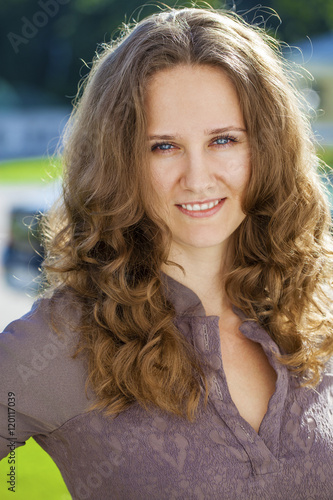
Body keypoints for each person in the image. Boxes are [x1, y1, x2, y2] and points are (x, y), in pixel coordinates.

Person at [1, 6, 333, 499]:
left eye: (224, 140)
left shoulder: (319, 307)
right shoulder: (60, 343)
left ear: (267, 148)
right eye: (163, 147)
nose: (198, 178)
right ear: (120, 163)